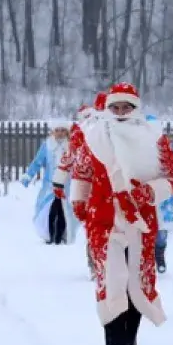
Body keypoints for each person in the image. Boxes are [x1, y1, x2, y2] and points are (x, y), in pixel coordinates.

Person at [70, 82, 173, 345]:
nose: (120, 112)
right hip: (103, 219)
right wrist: (79, 201)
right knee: (111, 280)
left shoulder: (154, 138)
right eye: (115, 107)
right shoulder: (92, 136)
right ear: (107, 109)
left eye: (126, 107)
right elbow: (81, 173)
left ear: (136, 108)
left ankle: (131, 341)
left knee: (137, 281)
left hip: (140, 221)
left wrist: (151, 192)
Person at [54, 93, 107, 278]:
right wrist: (59, 181)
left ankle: (101, 263)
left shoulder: (109, 129)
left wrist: (59, 181)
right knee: (94, 226)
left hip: (105, 185)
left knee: (99, 227)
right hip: (90, 185)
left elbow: (68, 158)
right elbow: (70, 157)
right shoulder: (83, 132)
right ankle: (96, 263)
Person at [21, 118, 78, 245]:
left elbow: (78, 164)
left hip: (66, 186)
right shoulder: (47, 145)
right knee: (50, 210)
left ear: (67, 132)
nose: (60, 133)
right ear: (53, 132)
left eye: (63, 130)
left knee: (64, 211)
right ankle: (50, 235)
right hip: (50, 186)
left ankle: (61, 236)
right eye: (57, 130)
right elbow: (37, 162)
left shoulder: (71, 146)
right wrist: (28, 176)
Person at [145, 114, 173, 274]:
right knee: (145, 230)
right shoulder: (137, 148)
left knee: (161, 232)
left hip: (163, 196)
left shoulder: (167, 149)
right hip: (144, 195)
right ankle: (147, 259)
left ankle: (159, 255)